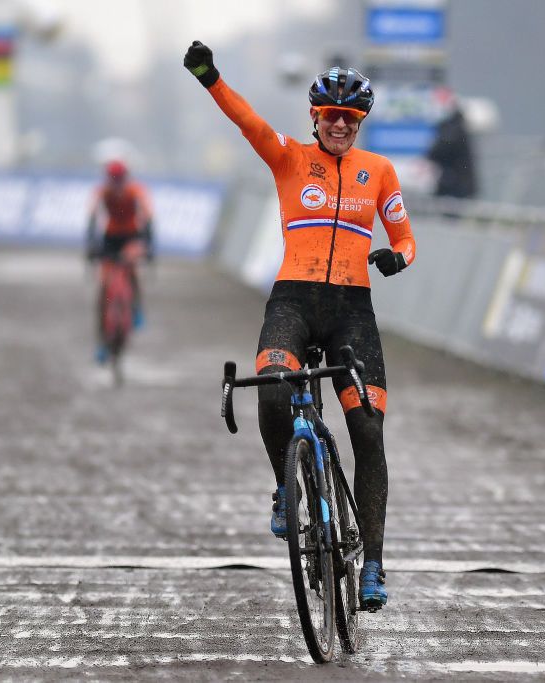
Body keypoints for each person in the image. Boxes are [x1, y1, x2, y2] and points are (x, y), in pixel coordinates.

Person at [184, 41, 416, 611]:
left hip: (351, 313)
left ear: (360, 123)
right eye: (331, 117)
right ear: (315, 117)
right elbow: (246, 121)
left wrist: (396, 257)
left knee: (366, 428)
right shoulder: (288, 157)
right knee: (271, 393)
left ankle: (375, 564)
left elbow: (405, 238)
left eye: (350, 119)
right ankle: (287, 490)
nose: (339, 125)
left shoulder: (379, 172)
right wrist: (210, 77)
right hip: (293, 301)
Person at [86, 159, 154, 362]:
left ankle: (136, 308)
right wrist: (91, 247)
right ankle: (101, 342)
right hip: (111, 238)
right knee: (103, 288)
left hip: (132, 236)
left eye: (120, 181)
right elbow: (91, 218)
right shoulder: (102, 191)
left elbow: (149, 218)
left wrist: (148, 248)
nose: (116, 186)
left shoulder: (136, 191)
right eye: (113, 181)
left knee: (131, 268)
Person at [425, 89, 477, 199]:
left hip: (456, 185)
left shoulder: (453, 129)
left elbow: (439, 150)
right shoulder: (455, 125)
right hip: (454, 183)